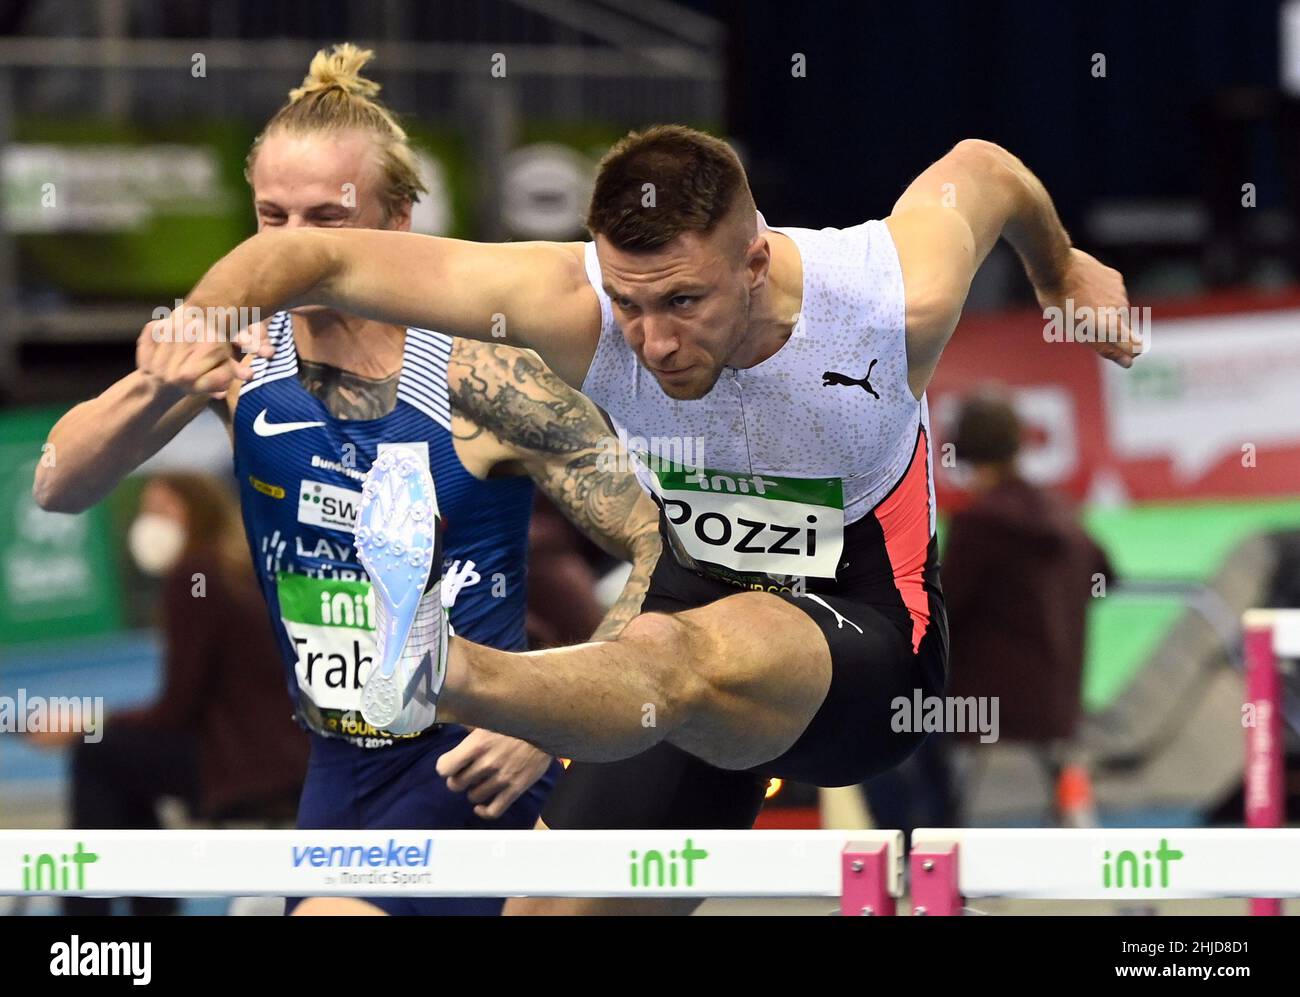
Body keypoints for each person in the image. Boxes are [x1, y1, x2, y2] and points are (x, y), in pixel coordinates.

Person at [136, 121, 1138, 915]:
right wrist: (198, 322)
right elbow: (316, 260)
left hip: (867, 634)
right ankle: (479, 675)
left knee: (675, 649)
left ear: (755, 260)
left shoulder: (888, 297)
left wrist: (1059, 274)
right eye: (629, 302)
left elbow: (983, 167)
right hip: (692, 605)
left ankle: (446, 670)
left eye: (684, 302)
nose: (654, 343)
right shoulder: (561, 300)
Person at [34, 44, 660, 917]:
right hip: (343, 783)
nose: (293, 248)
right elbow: (56, 484)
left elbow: (663, 545)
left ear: (397, 219)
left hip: (490, 775)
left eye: (326, 219)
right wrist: (158, 382)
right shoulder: (241, 370)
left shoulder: (481, 380)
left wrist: (555, 717)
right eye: (270, 218)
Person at [28, 473, 308, 916]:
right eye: (146, 511)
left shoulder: (194, 573)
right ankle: (147, 904)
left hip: (249, 768)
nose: (148, 522)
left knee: (100, 754)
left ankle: (88, 912)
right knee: (122, 761)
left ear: (195, 513)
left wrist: (84, 726)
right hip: (285, 759)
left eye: (162, 511)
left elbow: (176, 709)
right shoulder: (231, 568)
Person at [941, 392, 1114, 826]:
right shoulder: (1061, 512)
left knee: (890, 736)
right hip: (1060, 703)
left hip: (984, 716)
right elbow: (1106, 576)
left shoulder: (978, 525)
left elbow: (941, 610)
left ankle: (913, 865)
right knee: (1072, 813)